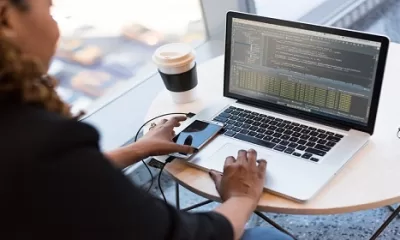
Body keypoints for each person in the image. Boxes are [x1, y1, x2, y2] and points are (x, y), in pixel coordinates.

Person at [0, 0, 293, 239]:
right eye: (50, 10)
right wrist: (241, 198)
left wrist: (138, 149)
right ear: (8, 21)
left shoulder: (30, 142)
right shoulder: (44, 141)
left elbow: (55, 178)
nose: (56, 25)